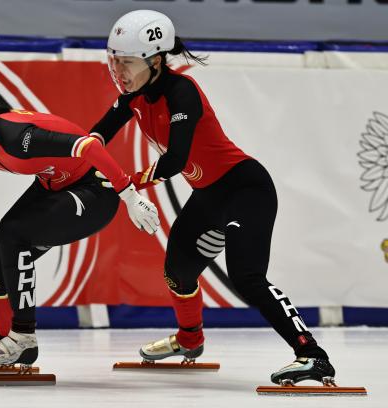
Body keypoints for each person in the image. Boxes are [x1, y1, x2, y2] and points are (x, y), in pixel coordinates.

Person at [90, 10, 335, 385]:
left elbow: (175, 161)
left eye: (126, 62)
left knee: (247, 277)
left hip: (245, 189)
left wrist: (128, 184)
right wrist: (70, 160)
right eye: (114, 61)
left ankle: (312, 356)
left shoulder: (181, 92)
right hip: (209, 195)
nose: (118, 71)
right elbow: (94, 139)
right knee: (177, 271)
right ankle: (190, 340)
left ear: (155, 61)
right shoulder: (132, 98)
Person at [0, 66, 160, 368]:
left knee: (14, 233)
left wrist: (130, 196)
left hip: (95, 191)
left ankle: (22, 339)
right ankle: (8, 343)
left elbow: (88, 146)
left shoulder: (14, 136)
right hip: (53, 185)